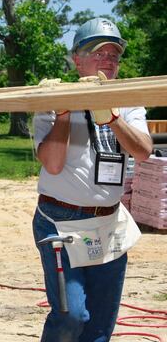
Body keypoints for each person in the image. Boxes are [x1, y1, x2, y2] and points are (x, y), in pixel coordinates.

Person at [33, 18, 153, 341]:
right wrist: (62, 114)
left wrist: (113, 119)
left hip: (107, 225)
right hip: (60, 222)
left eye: (113, 55)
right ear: (77, 59)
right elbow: (53, 165)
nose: (108, 62)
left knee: (100, 328)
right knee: (71, 316)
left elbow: (143, 151)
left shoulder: (127, 98)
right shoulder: (51, 98)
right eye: (99, 53)